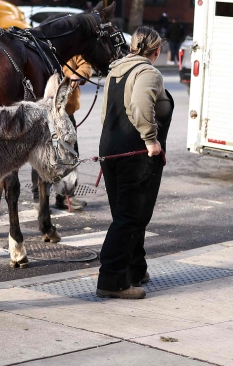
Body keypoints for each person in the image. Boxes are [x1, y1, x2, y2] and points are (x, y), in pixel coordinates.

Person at [96, 27, 173, 300]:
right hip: (135, 154)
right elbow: (140, 107)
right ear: (157, 51)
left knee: (125, 213)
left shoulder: (115, 71)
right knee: (132, 216)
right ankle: (112, 279)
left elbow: (106, 114)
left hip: (111, 151)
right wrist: (151, 140)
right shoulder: (149, 73)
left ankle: (135, 269)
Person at [55, 55, 93, 211]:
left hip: (66, 111)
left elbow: (86, 65)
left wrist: (78, 75)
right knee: (43, 156)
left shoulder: (72, 47)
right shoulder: (41, 42)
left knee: (71, 153)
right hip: (44, 109)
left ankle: (66, 196)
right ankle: (39, 198)